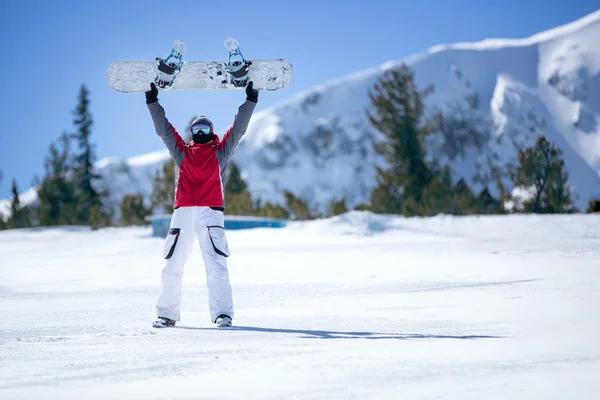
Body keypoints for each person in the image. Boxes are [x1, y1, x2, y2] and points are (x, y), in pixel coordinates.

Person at [145, 81, 259, 328]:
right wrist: (152, 102)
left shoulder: (220, 152)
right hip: (183, 212)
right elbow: (165, 130)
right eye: (197, 127)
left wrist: (250, 100)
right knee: (173, 262)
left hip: (210, 213)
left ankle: (222, 314)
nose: (201, 131)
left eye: (205, 127)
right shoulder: (182, 151)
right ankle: (166, 313)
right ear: (191, 132)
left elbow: (238, 129)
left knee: (215, 263)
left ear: (212, 131)